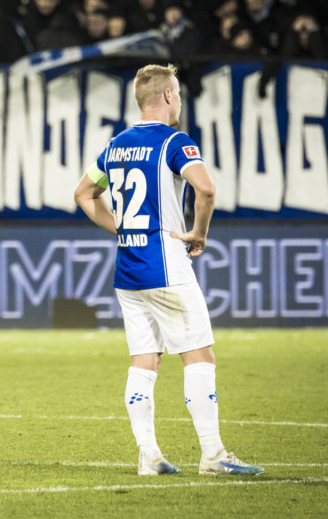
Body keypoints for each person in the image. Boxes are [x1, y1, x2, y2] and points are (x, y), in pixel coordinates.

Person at [73, 63, 263, 478]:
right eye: (177, 93)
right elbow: (205, 188)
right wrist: (199, 232)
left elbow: (84, 194)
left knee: (144, 361)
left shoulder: (115, 147)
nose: (179, 100)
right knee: (199, 355)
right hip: (165, 267)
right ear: (166, 96)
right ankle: (213, 455)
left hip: (128, 270)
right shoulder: (175, 142)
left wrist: (122, 229)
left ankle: (149, 456)